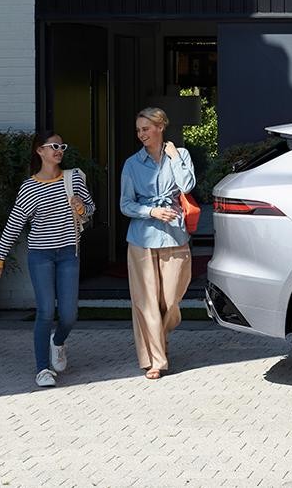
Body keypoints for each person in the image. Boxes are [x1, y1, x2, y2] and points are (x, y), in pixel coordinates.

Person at [0, 131, 95, 388]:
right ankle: (42, 369)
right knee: (46, 310)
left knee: (69, 315)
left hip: (69, 253)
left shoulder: (73, 180)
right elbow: (15, 224)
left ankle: (57, 342)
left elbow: (91, 210)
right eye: (54, 146)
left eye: (62, 145)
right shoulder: (29, 187)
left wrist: (81, 207)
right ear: (40, 151)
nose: (59, 150)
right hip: (41, 255)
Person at [119, 107, 196, 380]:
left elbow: (187, 186)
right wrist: (151, 211)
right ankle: (155, 359)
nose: (141, 134)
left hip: (175, 234)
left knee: (171, 300)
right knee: (146, 302)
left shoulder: (181, 155)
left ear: (160, 127)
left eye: (146, 128)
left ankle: (158, 338)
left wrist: (174, 157)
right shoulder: (131, 164)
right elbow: (125, 204)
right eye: (138, 130)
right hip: (141, 238)